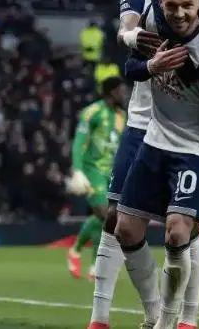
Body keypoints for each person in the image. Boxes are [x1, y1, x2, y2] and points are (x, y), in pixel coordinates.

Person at [86, 0, 195, 329]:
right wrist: (130, 37)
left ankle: (187, 319)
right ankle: (108, 317)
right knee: (116, 218)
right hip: (141, 123)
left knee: (185, 227)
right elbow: (126, 28)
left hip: (186, 129)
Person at [114, 0, 199, 329]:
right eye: (171, 5)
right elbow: (130, 69)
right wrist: (153, 65)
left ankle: (168, 321)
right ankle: (153, 312)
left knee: (178, 232)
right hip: (153, 140)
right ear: (160, 1)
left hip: (194, 148)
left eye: (186, 6)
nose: (178, 13)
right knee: (125, 230)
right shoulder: (152, 23)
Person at [66, 76, 127, 281]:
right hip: (92, 171)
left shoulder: (122, 116)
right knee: (104, 214)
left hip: (112, 173)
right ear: (112, 92)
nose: (124, 94)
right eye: (121, 91)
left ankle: (80, 254)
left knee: (106, 217)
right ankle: (91, 262)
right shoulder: (92, 112)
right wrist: (77, 170)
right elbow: (79, 142)